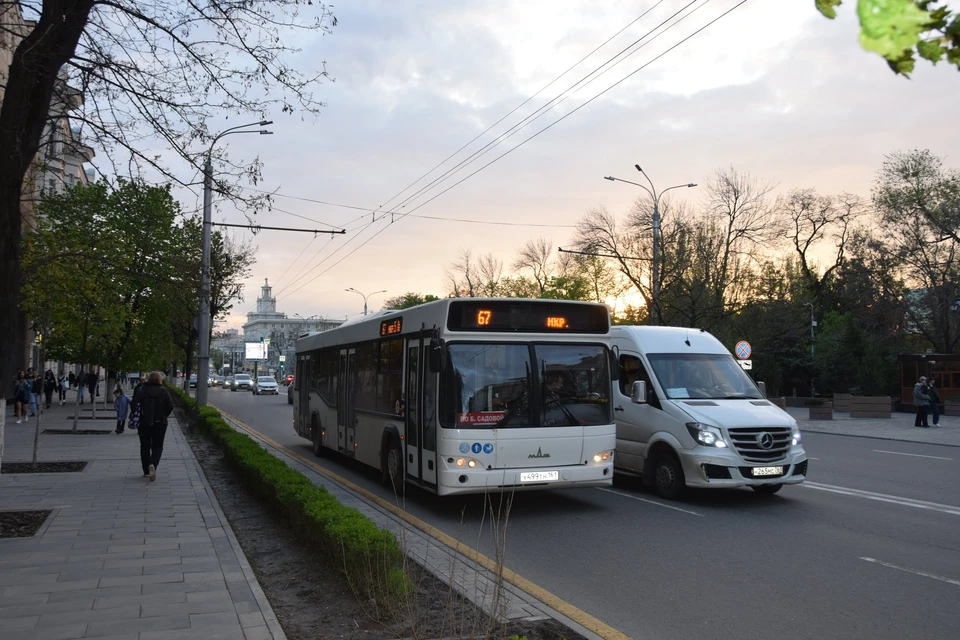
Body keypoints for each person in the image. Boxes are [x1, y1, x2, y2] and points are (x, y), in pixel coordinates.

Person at [130, 371, 173, 481]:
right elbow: (170, 406)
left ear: (148, 379)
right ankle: (153, 464)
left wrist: (138, 415)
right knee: (157, 446)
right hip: (160, 423)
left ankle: (146, 471)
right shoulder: (163, 391)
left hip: (144, 423)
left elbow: (133, 404)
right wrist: (164, 415)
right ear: (159, 380)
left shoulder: (142, 390)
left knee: (144, 446)